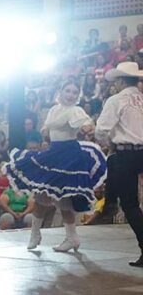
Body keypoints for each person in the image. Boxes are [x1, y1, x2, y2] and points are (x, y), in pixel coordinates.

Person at [7, 79, 106, 252]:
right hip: (53, 153)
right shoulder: (54, 109)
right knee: (40, 197)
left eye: (75, 92)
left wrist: (88, 127)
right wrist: (46, 136)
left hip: (68, 156)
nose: (71, 95)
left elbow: (84, 123)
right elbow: (46, 130)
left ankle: (71, 237)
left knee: (64, 200)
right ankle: (35, 234)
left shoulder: (76, 110)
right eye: (67, 91)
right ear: (60, 91)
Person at [95, 61, 143, 267]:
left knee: (130, 204)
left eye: (116, 81)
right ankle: (109, 200)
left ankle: (109, 202)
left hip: (126, 152)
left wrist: (110, 144)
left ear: (122, 80)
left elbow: (101, 130)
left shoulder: (116, 100)